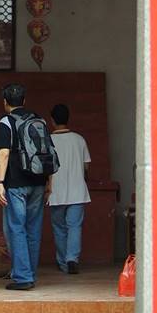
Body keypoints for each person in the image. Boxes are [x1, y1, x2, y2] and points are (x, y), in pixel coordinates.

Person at [0, 82, 52, 290]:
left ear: (5, 102)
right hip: (38, 181)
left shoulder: (6, 122)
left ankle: (22, 277)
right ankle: (30, 273)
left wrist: (1, 182)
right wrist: (49, 183)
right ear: (24, 101)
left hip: (16, 183)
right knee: (33, 229)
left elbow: (3, 153)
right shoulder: (39, 120)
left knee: (16, 228)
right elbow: (48, 153)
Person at [47, 103, 91, 274]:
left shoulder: (48, 140)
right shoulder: (79, 140)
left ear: (52, 120)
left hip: (56, 191)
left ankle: (62, 261)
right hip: (78, 191)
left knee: (59, 228)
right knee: (74, 226)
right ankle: (72, 258)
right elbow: (86, 166)